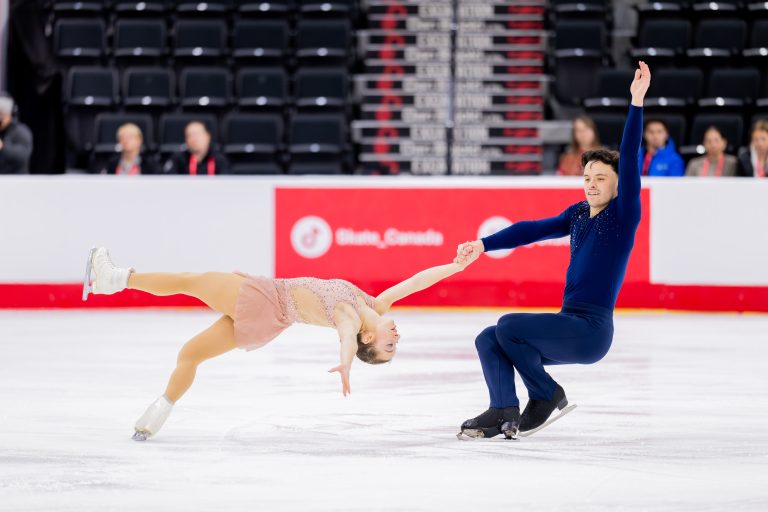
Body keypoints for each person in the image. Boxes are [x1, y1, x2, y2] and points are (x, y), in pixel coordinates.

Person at [81, 245, 480, 440]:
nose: (398, 337)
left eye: (389, 346)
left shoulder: (351, 316)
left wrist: (347, 362)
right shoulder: (374, 304)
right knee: (191, 355)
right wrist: (456, 266)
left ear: (368, 337)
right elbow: (417, 281)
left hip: (264, 298)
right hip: (268, 320)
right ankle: (154, 418)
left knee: (190, 281)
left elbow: (344, 336)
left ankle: (113, 279)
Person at [453, 61, 650, 440]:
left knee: (509, 325)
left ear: (617, 185)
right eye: (587, 178)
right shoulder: (578, 214)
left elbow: (628, 153)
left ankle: (545, 394)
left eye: (601, 179)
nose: (592, 185)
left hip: (591, 331)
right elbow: (532, 230)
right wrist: (483, 244)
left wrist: (636, 103)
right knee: (488, 337)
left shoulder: (624, 214)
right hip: (568, 323)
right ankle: (502, 408)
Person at [163, 120, 228, 175]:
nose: (194, 139)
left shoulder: (219, 160)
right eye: (190, 135)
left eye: (197, 134)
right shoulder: (178, 159)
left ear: (208, 136)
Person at [0, 92, 33, 174]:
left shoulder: (20, 131)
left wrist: (3, 147)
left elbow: (23, 155)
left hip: (16, 179)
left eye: (3, 114)